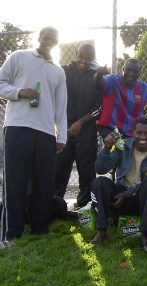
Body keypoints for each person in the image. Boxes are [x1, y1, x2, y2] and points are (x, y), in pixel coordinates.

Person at [0, 27, 67, 244]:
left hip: (46, 132)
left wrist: (61, 136)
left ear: (56, 43)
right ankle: (13, 233)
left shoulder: (58, 71)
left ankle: (40, 228)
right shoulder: (19, 57)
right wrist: (19, 92)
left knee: (44, 183)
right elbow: (1, 84)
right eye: (46, 38)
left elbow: (61, 106)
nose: (49, 42)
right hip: (17, 127)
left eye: (53, 40)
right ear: (38, 38)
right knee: (15, 181)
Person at [90, 116, 147, 248]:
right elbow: (100, 169)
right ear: (133, 132)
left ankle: (144, 233)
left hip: (141, 200)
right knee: (99, 182)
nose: (143, 137)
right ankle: (101, 231)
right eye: (139, 133)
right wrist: (107, 148)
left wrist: (127, 194)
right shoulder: (122, 146)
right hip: (120, 196)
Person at [54, 44, 102, 208]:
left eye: (88, 58)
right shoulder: (64, 71)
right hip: (64, 127)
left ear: (93, 59)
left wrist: (80, 122)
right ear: (76, 55)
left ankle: (84, 209)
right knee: (59, 168)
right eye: (81, 56)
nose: (83, 61)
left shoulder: (97, 76)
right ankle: (55, 206)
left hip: (86, 127)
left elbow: (99, 107)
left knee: (86, 169)